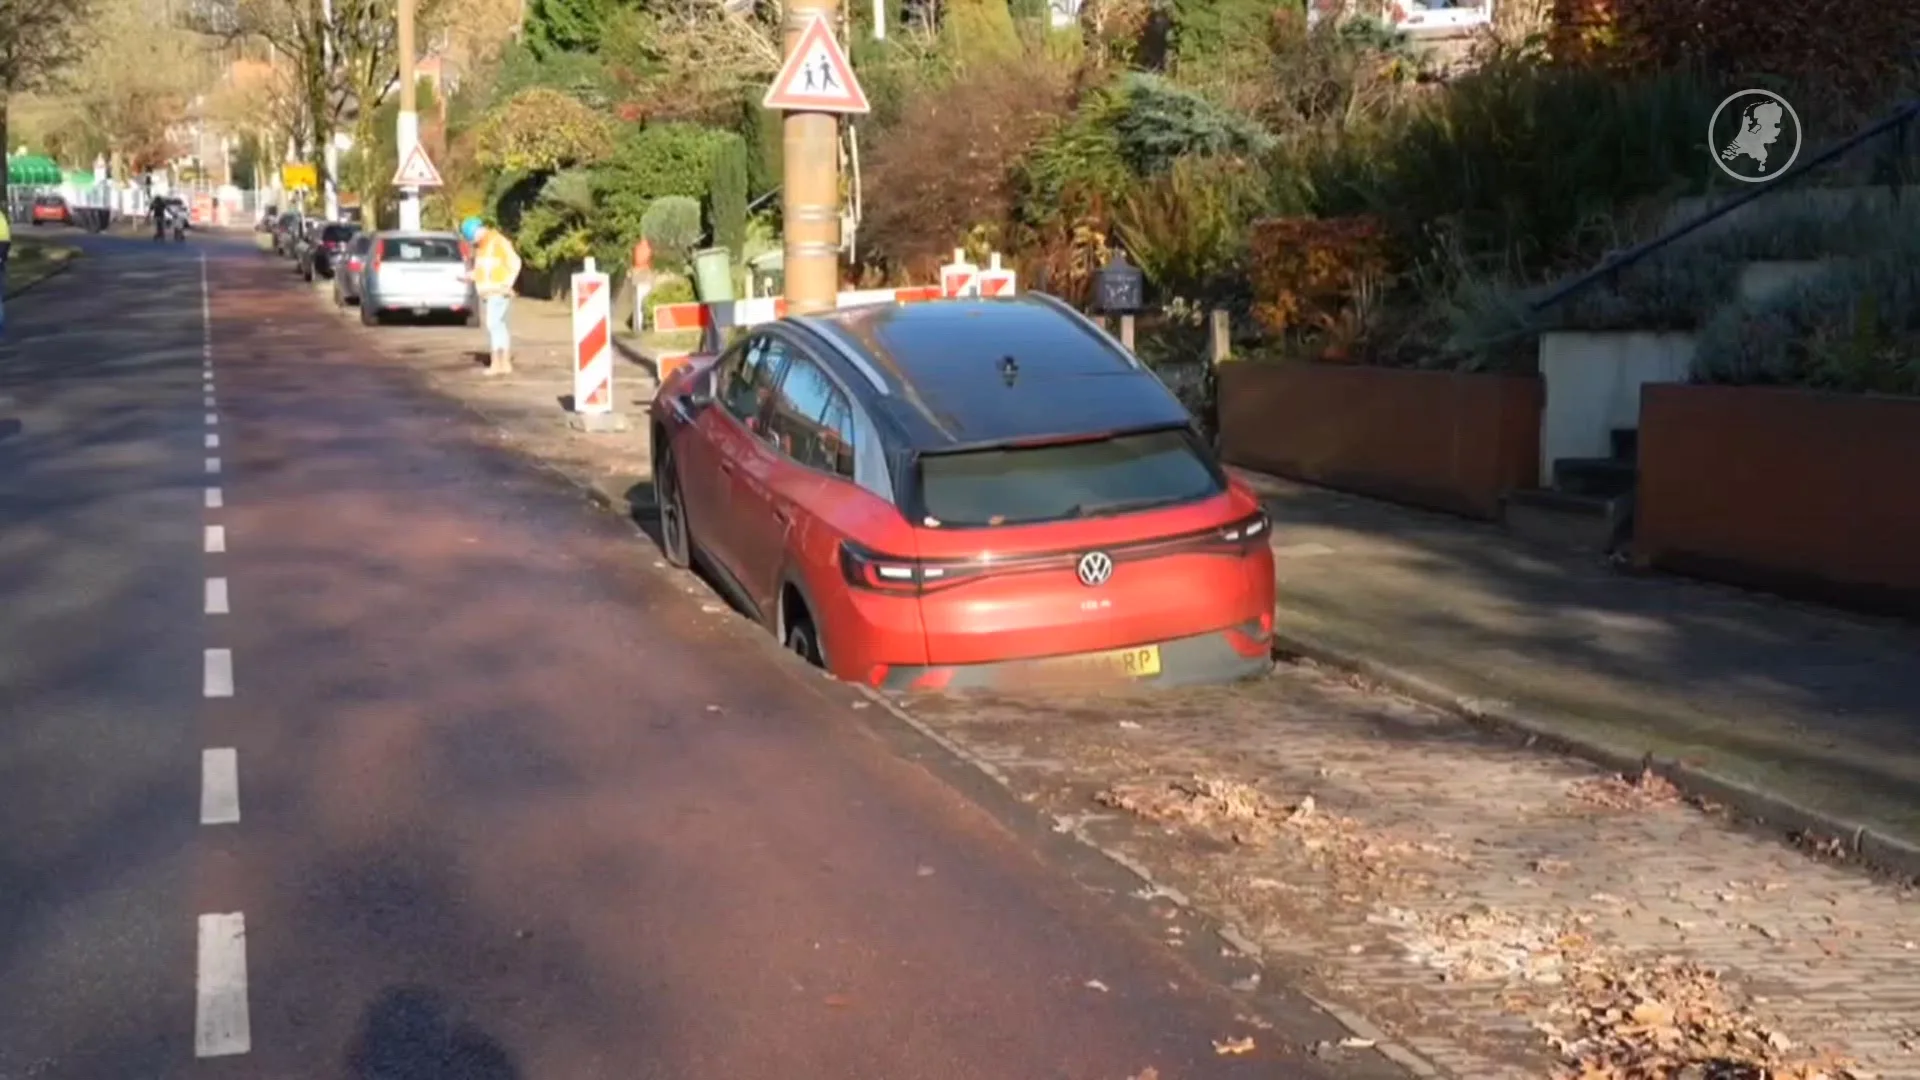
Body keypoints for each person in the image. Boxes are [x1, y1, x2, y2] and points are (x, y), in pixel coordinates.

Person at [461, 216, 522, 375]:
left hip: (498, 291)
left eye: (472, 237)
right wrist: (471, 275)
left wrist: (507, 284)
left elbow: (515, 262)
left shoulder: (496, 242)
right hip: (492, 291)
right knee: (500, 326)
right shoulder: (484, 246)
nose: (473, 242)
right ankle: (505, 364)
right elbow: (486, 271)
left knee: (493, 325)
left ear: (476, 232)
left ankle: (496, 364)